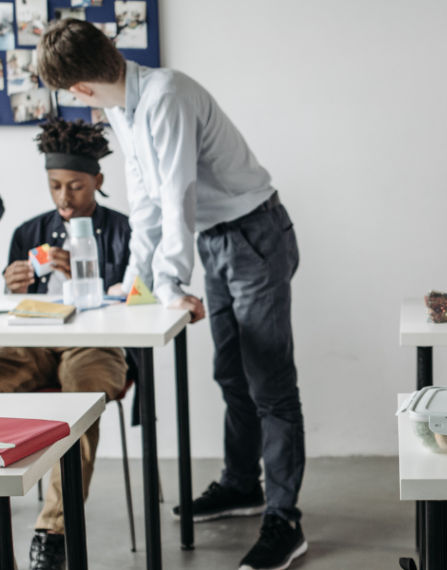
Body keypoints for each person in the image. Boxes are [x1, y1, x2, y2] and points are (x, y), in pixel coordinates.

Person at [37, 19, 306, 570]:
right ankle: (242, 485)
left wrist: (169, 280)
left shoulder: (167, 95)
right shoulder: (122, 106)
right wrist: (136, 280)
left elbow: (176, 191)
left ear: (78, 89)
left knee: (269, 382)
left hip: (253, 234)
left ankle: (285, 519)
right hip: (216, 239)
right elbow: (146, 203)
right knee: (231, 373)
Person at [0, 118, 130, 570]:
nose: (64, 198)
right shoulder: (27, 231)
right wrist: (9, 285)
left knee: (81, 402)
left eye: (75, 186)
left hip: (96, 342)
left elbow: (142, 300)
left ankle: (52, 533)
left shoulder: (126, 230)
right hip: (35, 341)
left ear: (97, 180)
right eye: (55, 186)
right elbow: (12, 311)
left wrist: (87, 277)